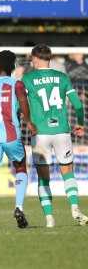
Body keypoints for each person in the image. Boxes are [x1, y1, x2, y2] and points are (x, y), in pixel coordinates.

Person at [22, 44, 88, 228]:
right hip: (61, 131)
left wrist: (25, 119)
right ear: (49, 58)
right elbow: (78, 105)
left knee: (43, 178)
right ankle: (75, 208)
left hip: (40, 133)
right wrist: (80, 123)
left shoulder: (27, 78)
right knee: (67, 172)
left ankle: (49, 218)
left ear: (35, 58)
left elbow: (20, 104)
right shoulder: (62, 77)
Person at [0, 50, 37, 230]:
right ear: (13, 66)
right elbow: (24, 104)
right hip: (11, 135)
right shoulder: (16, 84)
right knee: (20, 167)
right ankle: (18, 208)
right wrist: (28, 121)